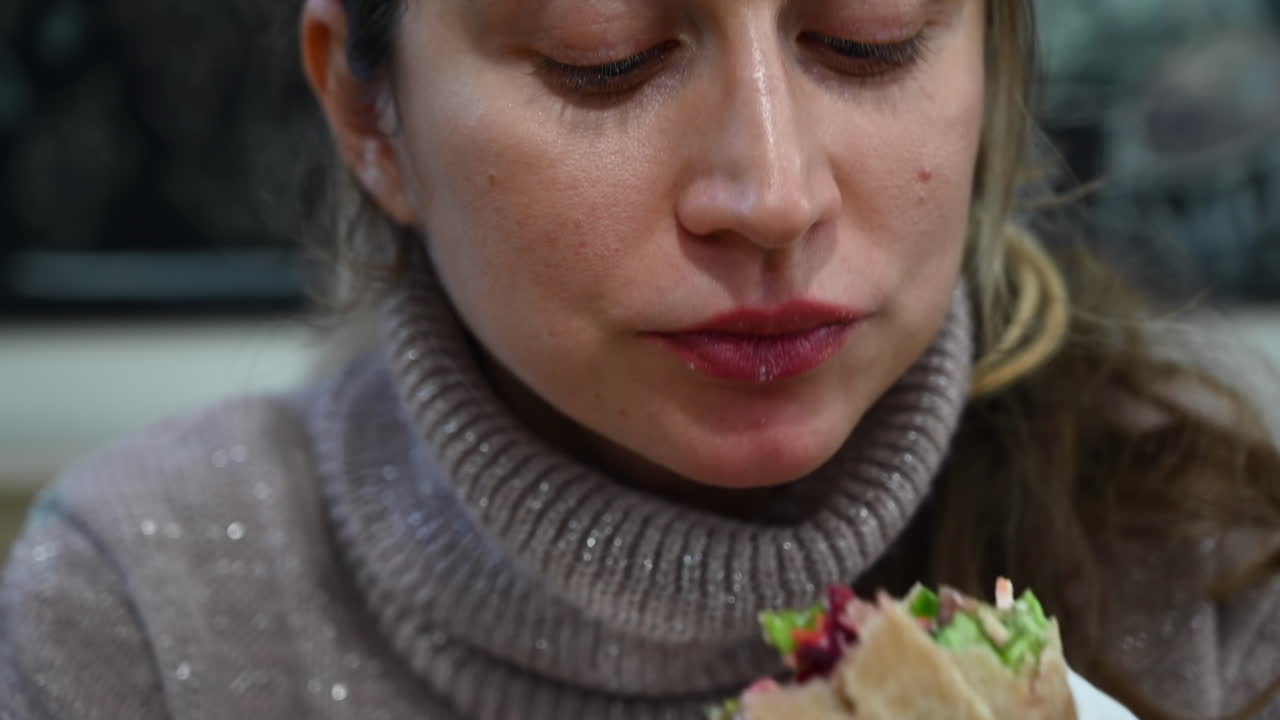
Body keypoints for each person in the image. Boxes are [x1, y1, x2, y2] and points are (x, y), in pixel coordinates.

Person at [3, 0, 1279, 718]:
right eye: (599, 54)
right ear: (366, 114)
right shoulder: (140, 620)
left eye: (868, 35)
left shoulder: (1207, 562)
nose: (772, 196)